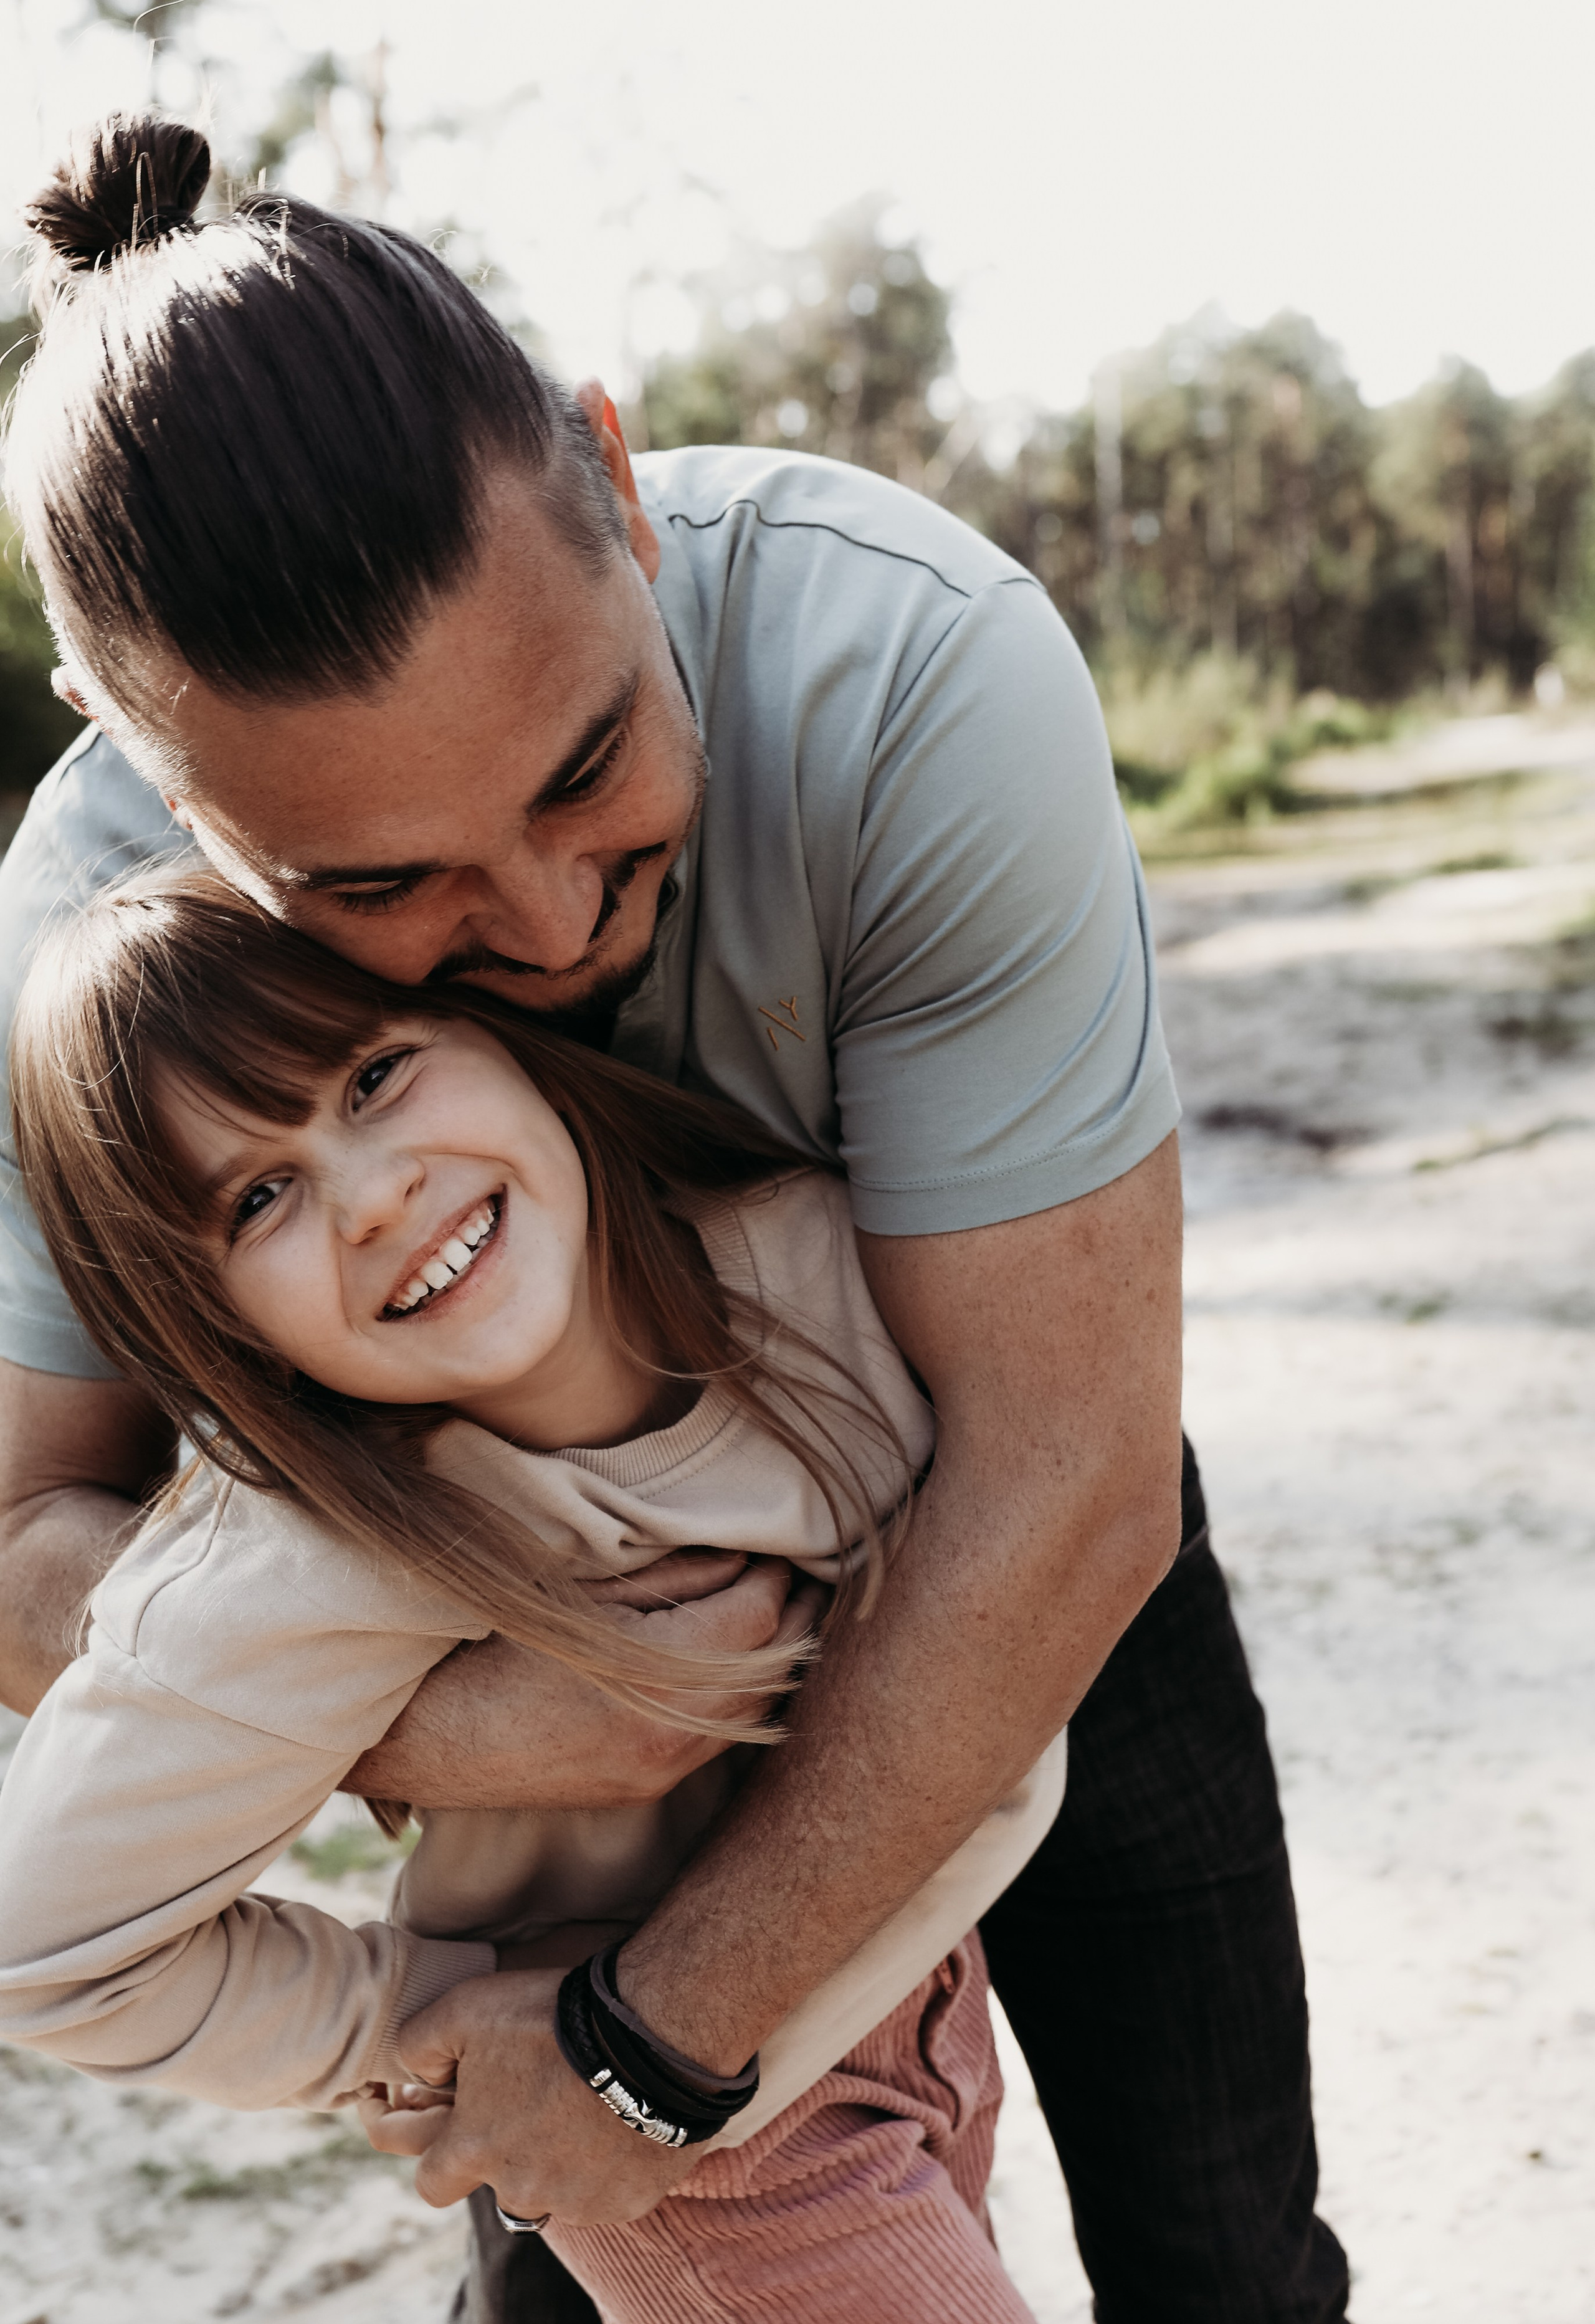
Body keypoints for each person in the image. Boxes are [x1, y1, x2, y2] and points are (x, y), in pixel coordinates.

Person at [0, 113, 1348, 2320]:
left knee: (1224, 2248)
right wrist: (468, 1727)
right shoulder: (88, 953)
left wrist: (643, 2055)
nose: (535, 922)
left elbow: (1066, 1479)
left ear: (617, 486)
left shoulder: (910, 669)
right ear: (151, 766)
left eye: (582, 765)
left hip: (1003, 1540)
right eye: (370, 892)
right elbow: (24, 1547)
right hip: (541, 1749)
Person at [0, 864, 1061, 2322]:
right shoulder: (320, 1545)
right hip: (699, 2149)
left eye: (375, 1073)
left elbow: (1005, 1710)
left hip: (915, 2000)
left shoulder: (823, 1272)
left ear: (496, 1030)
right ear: (205, 1320)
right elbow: (42, 1946)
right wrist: (430, 2020)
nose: (374, 1199)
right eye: (258, 1197)